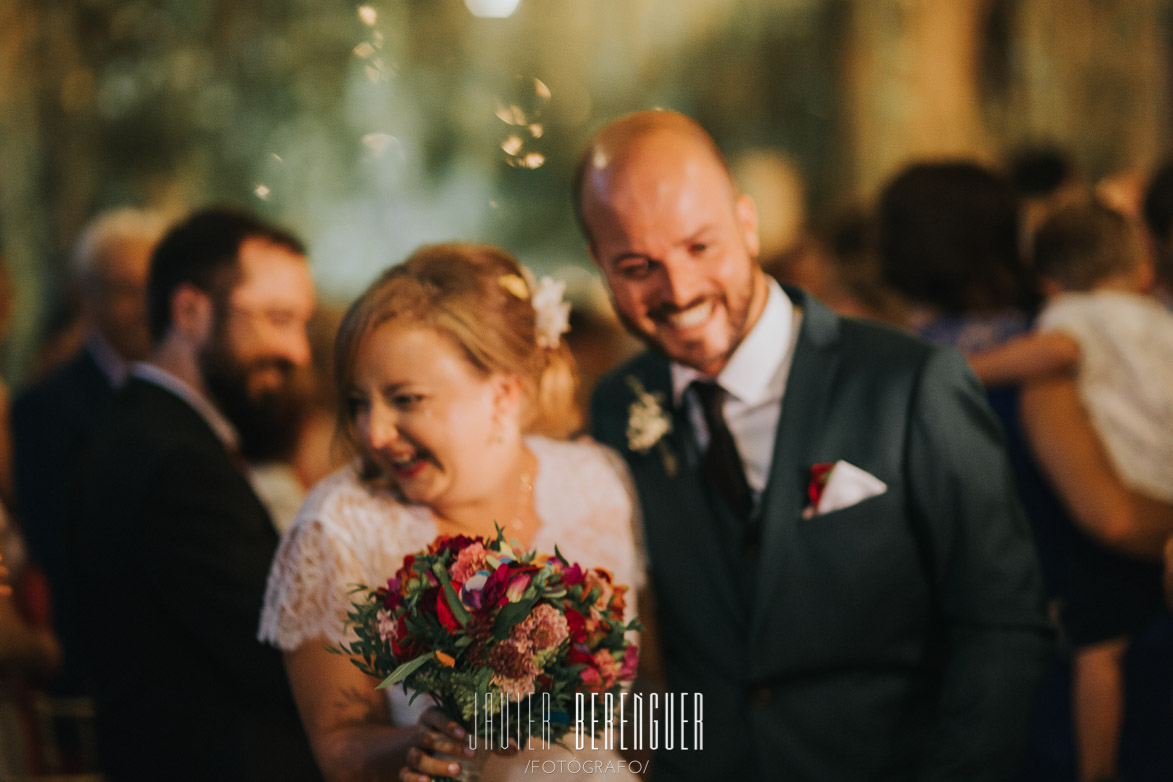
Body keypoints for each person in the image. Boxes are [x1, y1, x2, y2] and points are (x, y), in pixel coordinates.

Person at [577, 110, 1052, 781]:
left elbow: (1001, 623)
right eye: (636, 265)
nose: (677, 290)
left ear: (747, 225)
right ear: (599, 265)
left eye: (699, 247)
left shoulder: (909, 382)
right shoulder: (616, 403)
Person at [258, 243, 643, 782]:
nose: (374, 432)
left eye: (406, 399)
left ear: (503, 395)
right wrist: (427, 743)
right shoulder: (340, 526)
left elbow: (650, 696)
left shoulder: (597, 483)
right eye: (358, 402)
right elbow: (340, 751)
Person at [75, 207, 321, 781]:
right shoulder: (173, 458)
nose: (298, 352)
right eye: (278, 319)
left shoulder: (149, 429)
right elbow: (271, 648)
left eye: (301, 324)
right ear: (190, 311)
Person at [969, 201, 1173, 782]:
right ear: (1141, 268)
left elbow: (1054, 352)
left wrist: (962, 366)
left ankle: (1096, 769)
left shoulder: (1075, 315)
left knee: (1099, 647)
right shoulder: (1157, 317)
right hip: (1166, 488)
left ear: (1047, 281)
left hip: (1126, 489)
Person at [10, 208, 164, 702]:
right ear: (87, 298)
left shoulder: (179, 390)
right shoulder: (46, 407)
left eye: (153, 287)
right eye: (126, 290)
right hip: (100, 672)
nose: (144, 305)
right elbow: (56, 551)